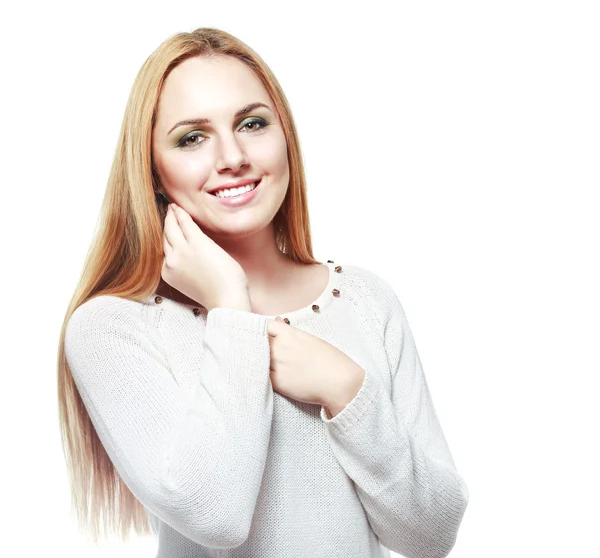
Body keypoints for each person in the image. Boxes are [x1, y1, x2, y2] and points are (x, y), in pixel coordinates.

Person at [57, 27, 469, 558]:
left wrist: (347, 392)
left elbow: (432, 536)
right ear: (153, 172)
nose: (232, 156)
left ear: (285, 137)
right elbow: (216, 514)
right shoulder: (113, 326)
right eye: (192, 137)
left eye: (252, 124)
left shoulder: (368, 302)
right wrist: (231, 307)